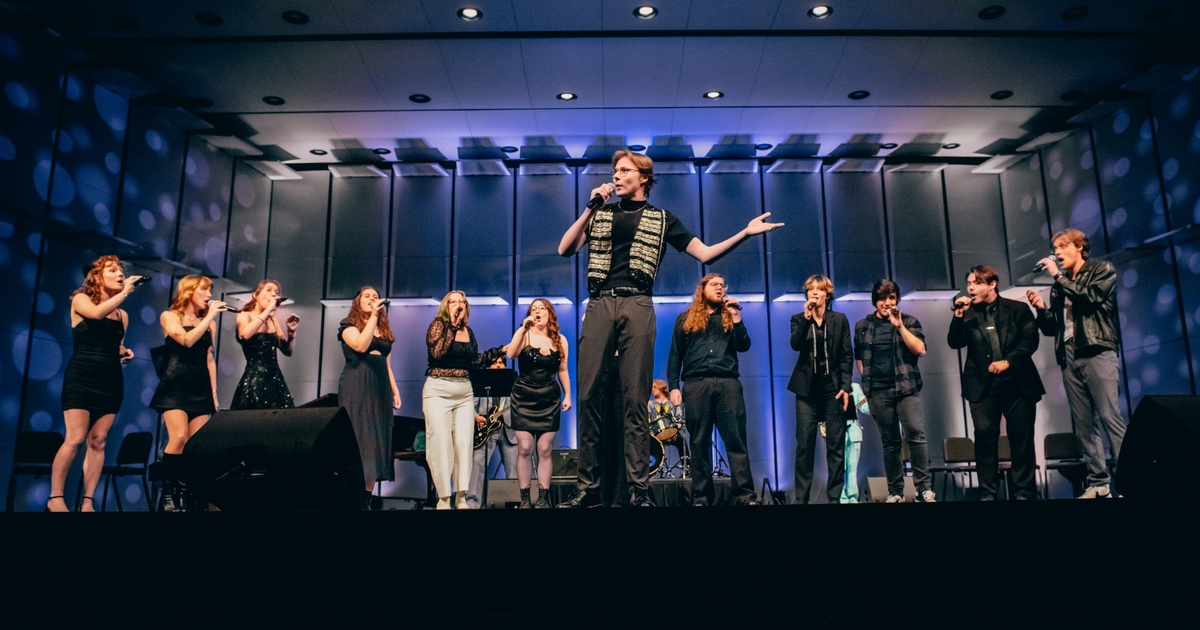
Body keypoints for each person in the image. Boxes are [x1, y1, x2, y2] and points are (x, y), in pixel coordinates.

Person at [556, 149, 783, 508]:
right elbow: (564, 248)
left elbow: (706, 254)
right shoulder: (601, 212)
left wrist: (746, 232)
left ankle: (638, 488)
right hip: (600, 302)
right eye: (614, 171)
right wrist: (590, 207)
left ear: (644, 177)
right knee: (588, 395)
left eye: (624, 170)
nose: (616, 176)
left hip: (638, 302)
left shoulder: (662, 218)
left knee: (635, 398)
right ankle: (588, 486)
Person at [1027, 229, 1125, 499]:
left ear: (1080, 247)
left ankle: (1131, 480)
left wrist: (1057, 277)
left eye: (1062, 246)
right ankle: (1098, 482)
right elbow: (1052, 329)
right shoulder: (1059, 286)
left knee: (1109, 416)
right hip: (1068, 354)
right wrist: (1041, 309)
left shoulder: (1101, 270)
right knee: (1083, 424)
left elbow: (1089, 298)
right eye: (1054, 248)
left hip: (1096, 349)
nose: (1057, 253)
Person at [48, 256, 142, 512]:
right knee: (76, 437)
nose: (120, 274)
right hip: (82, 376)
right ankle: (55, 498)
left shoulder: (122, 315)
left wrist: (124, 352)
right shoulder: (81, 300)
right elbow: (96, 314)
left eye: (122, 270)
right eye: (113, 270)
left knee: (98, 439)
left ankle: (88, 501)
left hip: (110, 379)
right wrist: (125, 292)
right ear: (97, 277)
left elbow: (115, 344)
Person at [949, 265, 1044, 501]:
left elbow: (1030, 340)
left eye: (976, 282)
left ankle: (1024, 492)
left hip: (1018, 383)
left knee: (1021, 438)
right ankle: (988, 493)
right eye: (968, 283)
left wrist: (1008, 362)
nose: (970, 287)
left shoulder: (1018, 309)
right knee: (984, 437)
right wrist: (958, 316)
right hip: (982, 386)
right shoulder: (968, 313)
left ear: (992, 284)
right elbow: (955, 342)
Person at [666, 273, 759, 506]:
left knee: (736, 441)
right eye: (714, 285)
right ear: (702, 289)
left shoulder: (730, 316)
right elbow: (675, 356)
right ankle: (701, 498)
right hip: (696, 385)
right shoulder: (684, 319)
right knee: (699, 444)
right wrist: (674, 387)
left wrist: (736, 316)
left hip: (728, 385)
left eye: (723, 285)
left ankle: (745, 496)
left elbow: (744, 345)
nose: (720, 288)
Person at [853, 279, 935, 503]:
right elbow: (859, 357)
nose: (887, 303)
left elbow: (920, 350)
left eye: (891, 298)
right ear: (875, 301)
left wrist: (899, 326)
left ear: (897, 299)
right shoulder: (863, 325)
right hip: (878, 391)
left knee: (916, 435)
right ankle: (896, 491)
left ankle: (923, 488)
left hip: (906, 388)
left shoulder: (909, 321)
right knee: (890, 442)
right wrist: (867, 381)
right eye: (882, 298)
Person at [423, 291, 506, 510]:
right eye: (454, 302)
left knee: (464, 444)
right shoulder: (438, 326)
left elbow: (475, 361)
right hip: (438, 389)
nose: (459, 305)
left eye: (462, 302)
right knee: (440, 443)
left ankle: (461, 496)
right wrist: (452, 324)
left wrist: (499, 351)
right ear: (446, 306)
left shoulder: (468, 331)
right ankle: (443, 497)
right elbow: (438, 353)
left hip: (464, 391)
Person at [150, 275, 225, 512]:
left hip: (199, 385)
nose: (209, 295)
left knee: (196, 445)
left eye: (210, 290)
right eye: (204, 290)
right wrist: (210, 316)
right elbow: (185, 340)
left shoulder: (209, 323)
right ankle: (169, 493)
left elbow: (209, 358)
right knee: (179, 437)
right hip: (175, 384)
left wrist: (213, 391)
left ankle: (188, 492)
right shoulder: (169, 316)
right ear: (189, 291)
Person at [787, 274, 854, 504]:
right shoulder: (798, 318)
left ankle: (834, 498)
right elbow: (795, 344)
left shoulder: (839, 319)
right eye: (810, 289)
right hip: (806, 389)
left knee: (836, 445)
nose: (814, 293)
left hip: (832, 388)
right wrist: (807, 318)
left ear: (828, 294)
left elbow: (847, 355)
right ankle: (801, 500)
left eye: (819, 289)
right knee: (804, 446)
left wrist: (846, 387)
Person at [337, 286, 402, 509]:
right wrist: (373, 317)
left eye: (375, 296)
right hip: (357, 385)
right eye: (368, 296)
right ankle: (351, 498)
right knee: (359, 440)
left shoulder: (383, 329)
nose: (373, 299)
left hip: (380, 388)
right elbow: (360, 345)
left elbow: (388, 364)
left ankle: (365, 499)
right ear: (358, 301)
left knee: (375, 443)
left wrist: (395, 390)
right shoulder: (349, 325)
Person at [506, 298, 572, 509]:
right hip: (524, 395)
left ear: (549, 313)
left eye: (541, 308)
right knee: (525, 447)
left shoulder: (560, 340)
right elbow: (511, 354)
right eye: (533, 309)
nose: (537, 311)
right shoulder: (524, 335)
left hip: (548, 397)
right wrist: (522, 328)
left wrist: (568, 395)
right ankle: (525, 497)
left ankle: (543, 497)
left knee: (544, 449)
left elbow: (562, 370)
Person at [230, 280, 298, 410]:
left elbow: (287, 351)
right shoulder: (244, 315)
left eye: (277, 292)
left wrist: (291, 333)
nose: (274, 295)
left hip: (275, 378)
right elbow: (245, 334)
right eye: (269, 290)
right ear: (256, 295)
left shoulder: (273, 320)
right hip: (255, 377)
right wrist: (267, 310)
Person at [465, 353, 519, 510]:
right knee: (477, 465)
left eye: (502, 362)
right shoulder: (481, 381)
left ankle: (513, 503)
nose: (499, 365)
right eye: (495, 363)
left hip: (509, 429)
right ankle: (472, 505)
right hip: (486, 431)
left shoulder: (512, 380)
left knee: (513, 469)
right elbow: (470, 403)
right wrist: (476, 417)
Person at [648, 379, 686, 474]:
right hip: (656, 434)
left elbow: (679, 418)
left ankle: (687, 467)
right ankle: (654, 470)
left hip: (672, 433)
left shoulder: (671, 403)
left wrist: (678, 424)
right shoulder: (650, 404)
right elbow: (648, 419)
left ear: (661, 387)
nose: (652, 389)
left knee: (681, 440)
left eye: (654, 387)